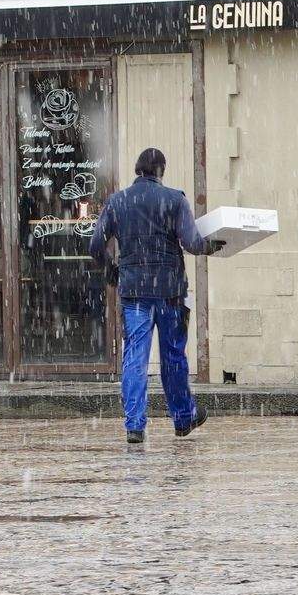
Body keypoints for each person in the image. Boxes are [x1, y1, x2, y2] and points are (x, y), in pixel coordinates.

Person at [89, 148, 221, 445]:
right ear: (161, 170)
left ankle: (135, 425)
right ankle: (183, 418)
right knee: (173, 355)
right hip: (170, 289)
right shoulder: (175, 199)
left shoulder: (118, 201)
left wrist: (112, 270)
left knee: (135, 355)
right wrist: (214, 246)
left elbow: (95, 244)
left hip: (134, 290)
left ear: (137, 170)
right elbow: (193, 242)